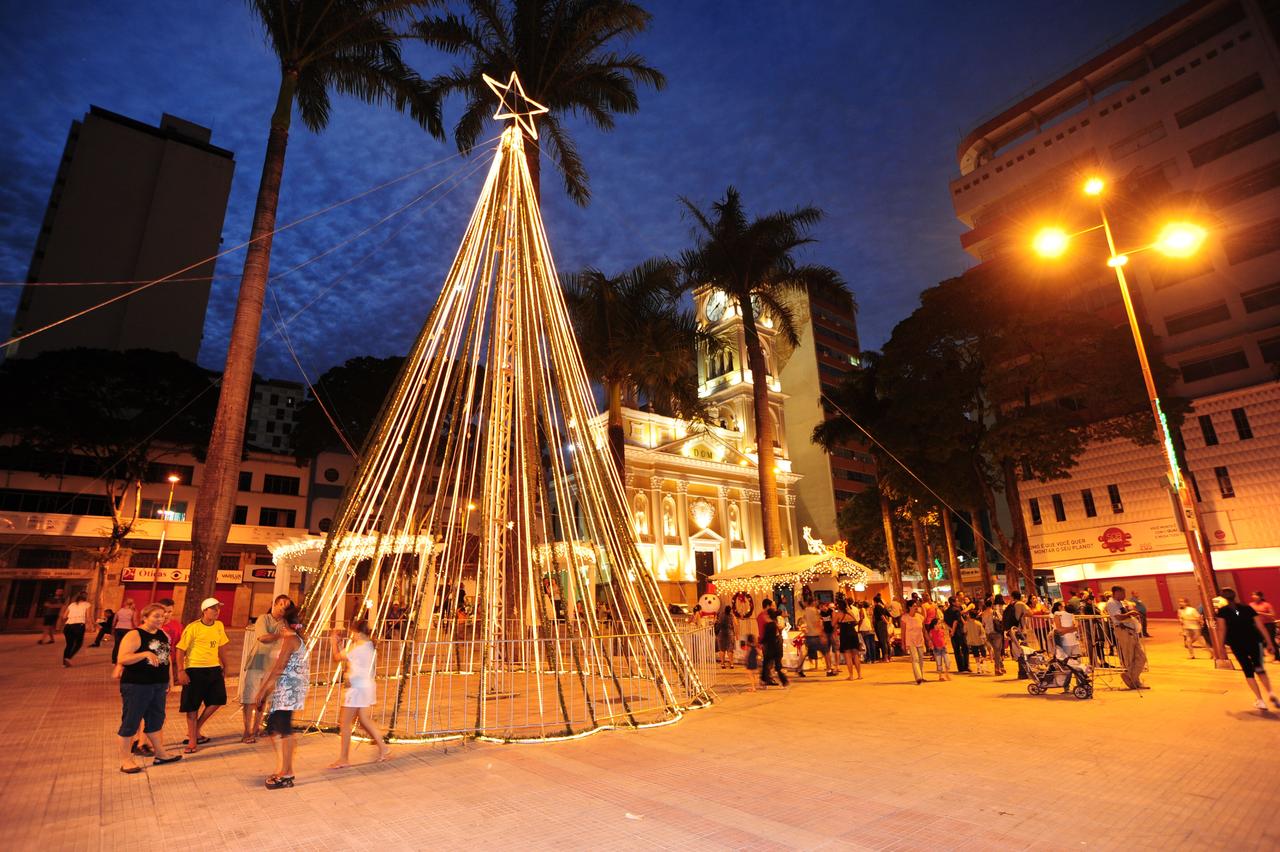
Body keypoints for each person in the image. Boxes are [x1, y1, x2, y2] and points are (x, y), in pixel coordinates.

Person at [116, 603, 182, 774]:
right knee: (131, 721)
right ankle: (126, 760)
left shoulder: (163, 635)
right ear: (145, 618)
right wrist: (144, 654)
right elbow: (122, 658)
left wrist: (169, 681)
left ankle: (161, 754)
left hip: (158, 685)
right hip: (137, 685)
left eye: (163, 615)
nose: (161, 618)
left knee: (156, 720)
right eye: (157, 616)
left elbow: (166, 658)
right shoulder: (135, 635)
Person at [254, 603, 310, 789]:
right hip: (287, 690)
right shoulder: (296, 639)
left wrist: (262, 691)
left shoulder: (291, 640)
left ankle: (286, 773)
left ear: (286, 623)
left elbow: (279, 667)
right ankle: (285, 768)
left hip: (289, 691)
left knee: (283, 729)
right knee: (274, 726)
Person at [327, 619, 389, 768]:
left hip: (356, 689)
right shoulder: (368, 646)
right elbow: (353, 661)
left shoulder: (358, 648)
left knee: (345, 723)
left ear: (359, 633)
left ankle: (344, 758)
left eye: (353, 633)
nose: (352, 636)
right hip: (366, 686)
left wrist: (333, 643)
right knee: (364, 720)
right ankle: (384, 748)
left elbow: (337, 657)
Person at [174, 598, 231, 753]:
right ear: (204, 610)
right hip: (194, 669)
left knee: (218, 700)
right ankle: (193, 740)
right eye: (213, 609)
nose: (217, 611)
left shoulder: (219, 626)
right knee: (192, 706)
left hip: (213, 668)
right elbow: (180, 649)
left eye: (218, 609)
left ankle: (195, 729)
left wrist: (225, 665)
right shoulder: (193, 627)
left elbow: (221, 646)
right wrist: (181, 670)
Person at [1215, 588, 1279, 711]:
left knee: (1248, 670)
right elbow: (1260, 626)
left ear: (1223, 599)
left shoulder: (1222, 612)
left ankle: (1260, 700)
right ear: (1235, 596)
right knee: (1260, 668)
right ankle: (1270, 693)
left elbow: (1221, 630)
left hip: (1237, 643)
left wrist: (1220, 647)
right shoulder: (1247, 608)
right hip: (1255, 641)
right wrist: (1270, 642)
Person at [241, 595, 291, 742]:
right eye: (281, 604)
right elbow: (262, 637)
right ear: (274, 604)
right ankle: (246, 731)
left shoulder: (284, 623)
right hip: (258, 661)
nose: (283, 608)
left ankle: (256, 728)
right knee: (250, 698)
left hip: (272, 664)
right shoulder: (263, 618)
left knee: (263, 699)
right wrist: (279, 635)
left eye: (286, 606)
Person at [1105, 586, 1146, 690]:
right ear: (1116, 593)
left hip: (1131, 631)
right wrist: (1130, 613)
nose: (1124, 596)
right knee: (1129, 656)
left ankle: (1130, 677)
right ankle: (1134, 681)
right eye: (1123, 593)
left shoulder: (1120, 603)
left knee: (1141, 657)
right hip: (1123, 631)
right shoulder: (1111, 603)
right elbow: (1117, 617)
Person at [797, 599, 830, 677]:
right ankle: (829, 669)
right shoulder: (814, 610)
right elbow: (817, 623)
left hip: (809, 635)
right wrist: (822, 634)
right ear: (812, 602)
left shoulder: (805, 611)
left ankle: (799, 669)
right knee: (826, 652)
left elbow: (804, 622)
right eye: (816, 602)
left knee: (805, 653)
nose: (817, 603)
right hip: (816, 635)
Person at [832, 596, 862, 680]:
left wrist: (835, 615)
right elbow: (856, 621)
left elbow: (833, 624)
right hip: (853, 633)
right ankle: (859, 675)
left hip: (845, 634)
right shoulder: (850, 612)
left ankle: (851, 675)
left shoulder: (838, 614)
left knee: (848, 656)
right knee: (856, 655)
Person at [60, 591, 92, 667]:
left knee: (69, 645)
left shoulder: (71, 605)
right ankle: (68, 658)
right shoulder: (87, 604)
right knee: (78, 644)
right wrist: (91, 625)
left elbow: (64, 616)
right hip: (79, 626)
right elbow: (88, 616)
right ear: (85, 598)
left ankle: (64, 663)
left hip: (68, 626)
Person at [759, 606, 788, 687]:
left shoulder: (769, 625)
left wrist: (760, 643)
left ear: (768, 616)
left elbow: (766, 637)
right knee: (776, 666)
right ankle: (783, 680)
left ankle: (765, 679)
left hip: (771, 648)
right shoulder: (774, 624)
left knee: (766, 664)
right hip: (776, 647)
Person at [1004, 592, 1030, 679]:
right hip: (1020, 631)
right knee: (1023, 651)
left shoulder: (1011, 605)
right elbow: (1031, 613)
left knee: (1018, 651)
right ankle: (1024, 673)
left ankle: (1021, 672)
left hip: (1012, 630)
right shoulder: (1021, 604)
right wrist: (1023, 615)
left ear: (1012, 597)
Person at [901, 600, 927, 685]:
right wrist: (903, 643)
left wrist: (928, 640)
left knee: (921, 659)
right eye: (914, 606)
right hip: (910, 641)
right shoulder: (904, 618)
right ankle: (918, 677)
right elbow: (903, 632)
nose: (916, 607)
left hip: (920, 640)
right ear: (909, 607)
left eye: (916, 606)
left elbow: (923, 630)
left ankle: (921, 676)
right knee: (915, 659)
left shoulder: (920, 617)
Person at [944, 597, 970, 674]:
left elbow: (945, 622)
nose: (958, 602)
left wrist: (951, 630)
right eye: (957, 600)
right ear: (953, 602)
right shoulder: (956, 610)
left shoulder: (946, 611)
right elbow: (956, 621)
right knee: (965, 648)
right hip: (959, 631)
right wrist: (954, 630)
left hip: (952, 633)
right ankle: (966, 666)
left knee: (956, 650)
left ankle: (960, 667)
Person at [1252, 592, 1279, 663]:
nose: (1254, 596)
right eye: (1253, 595)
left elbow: (1272, 614)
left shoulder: (1266, 604)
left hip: (1268, 624)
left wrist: (1260, 613)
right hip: (1257, 625)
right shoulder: (1251, 605)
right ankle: (1260, 657)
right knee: (1258, 641)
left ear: (1260, 597)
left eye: (1256, 595)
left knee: (1271, 640)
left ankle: (1277, 657)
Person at [981, 598, 1006, 675]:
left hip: (988, 633)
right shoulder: (995, 612)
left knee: (996, 650)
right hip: (996, 633)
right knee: (997, 651)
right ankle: (997, 668)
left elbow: (983, 623)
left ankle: (1001, 666)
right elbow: (1001, 619)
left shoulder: (983, 613)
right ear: (992, 605)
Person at [110, 599, 137, 664]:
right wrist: (137, 629)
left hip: (118, 628)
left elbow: (114, 621)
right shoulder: (132, 611)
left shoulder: (119, 610)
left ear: (125, 603)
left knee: (117, 645)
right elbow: (135, 621)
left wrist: (113, 629)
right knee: (126, 645)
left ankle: (114, 660)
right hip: (127, 629)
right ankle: (123, 659)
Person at [927, 612, 951, 681]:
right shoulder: (931, 631)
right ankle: (940, 676)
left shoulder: (942, 631)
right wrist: (931, 645)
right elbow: (930, 640)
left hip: (943, 648)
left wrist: (946, 642)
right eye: (938, 624)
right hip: (936, 649)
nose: (939, 625)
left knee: (948, 661)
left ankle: (947, 673)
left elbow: (944, 638)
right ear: (934, 625)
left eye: (940, 623)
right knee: (939, 663)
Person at [963, 610, 988, 675]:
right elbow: (982, 633)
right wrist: (985, 641)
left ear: (970, 615)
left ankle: (978, 668)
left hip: (971, 641)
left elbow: (964, 631)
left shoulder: (966, 623)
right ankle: (984, 667)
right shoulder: (978, 623)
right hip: (980, 641)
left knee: (976, 655)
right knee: (983, 654)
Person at [715, 601, 736, 669]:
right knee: (730, 650)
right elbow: (736, 624)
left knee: (722, 650)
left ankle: (722, 664)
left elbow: (715, 621)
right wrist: (736, 633)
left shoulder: (720, 615)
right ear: (730, 610)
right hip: (730, 633)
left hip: (721, 634)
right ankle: (731, 664)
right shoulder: (731, 616)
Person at [872, 594, 892, 663]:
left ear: (874, 601)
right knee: (886, 640)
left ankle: (885, 657)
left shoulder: (877, 606)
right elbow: (889, 615)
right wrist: (888, 622)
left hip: (880, 624)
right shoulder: (883, 606)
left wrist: (886, 622)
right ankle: (888, 656)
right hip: (883, 624)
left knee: (883, 641)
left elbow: (881, 616)